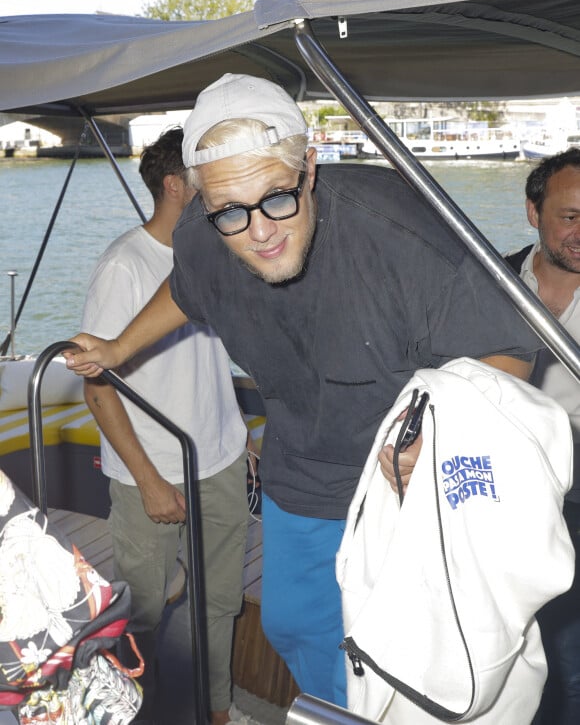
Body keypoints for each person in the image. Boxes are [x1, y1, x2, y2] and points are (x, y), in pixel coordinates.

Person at [66, 73, 540, 708]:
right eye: (231, 210)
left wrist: (439, 437)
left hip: (408, 474)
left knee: (418, 655)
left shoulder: (405, 235)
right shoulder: (207, 237)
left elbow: (510, 350)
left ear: (309, 168)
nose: (259, 230)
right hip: (304, 463)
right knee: (290, 623)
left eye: (277, 198)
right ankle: (341, 712)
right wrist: (119, 349)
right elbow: (185, 289)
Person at [80, 128, 254, 725]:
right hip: (149, 470)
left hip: (221, 458)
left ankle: (217, 710)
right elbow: (97, 388)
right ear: (175, 185)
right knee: (144, 609)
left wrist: (239, 435)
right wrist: (150, 480)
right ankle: (132, 710)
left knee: (220, 602)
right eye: (204, 178)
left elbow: (210, 359)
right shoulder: (124, 267)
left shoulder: (208, 257)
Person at [506, 148, 580, 725]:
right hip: (506, 491)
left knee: (569, 651)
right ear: (534, 213)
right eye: (570, 216)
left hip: (576, 496)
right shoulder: (493, 278)